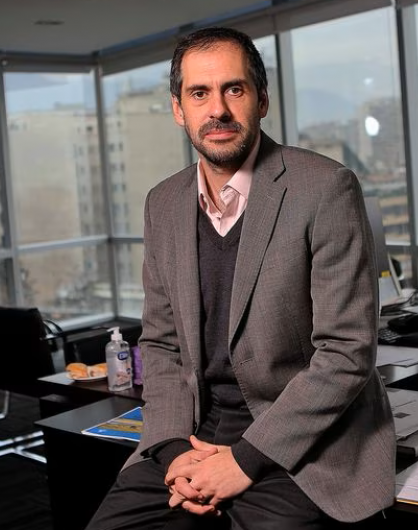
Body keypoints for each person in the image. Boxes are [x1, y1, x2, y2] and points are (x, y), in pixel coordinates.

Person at [86, 26, 395, 530]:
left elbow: (346, 352)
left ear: (262, 99)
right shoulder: (163, 203)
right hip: (192, 435)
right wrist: (172, 451)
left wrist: (244, 461)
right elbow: (162, 344)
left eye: (234, 89)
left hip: (302, 446)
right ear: (178, 109)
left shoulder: (325, 188)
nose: (218, 110)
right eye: (199, 93)